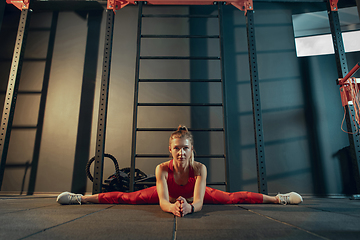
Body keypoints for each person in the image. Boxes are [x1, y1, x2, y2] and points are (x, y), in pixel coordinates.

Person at [57, 126, 303, 217]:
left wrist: (188, 208)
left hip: (193, 196)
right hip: (167, 194)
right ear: (170, 150)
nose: (181, 153)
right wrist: (173, 207)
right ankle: (81, 198)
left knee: (231, 197)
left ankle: (278, 199)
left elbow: (198, 201)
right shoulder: (162, 169)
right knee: (127, 197)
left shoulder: (199, 168)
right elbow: (164, 201)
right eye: (176, 149)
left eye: (185, 148)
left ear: (191, 149)